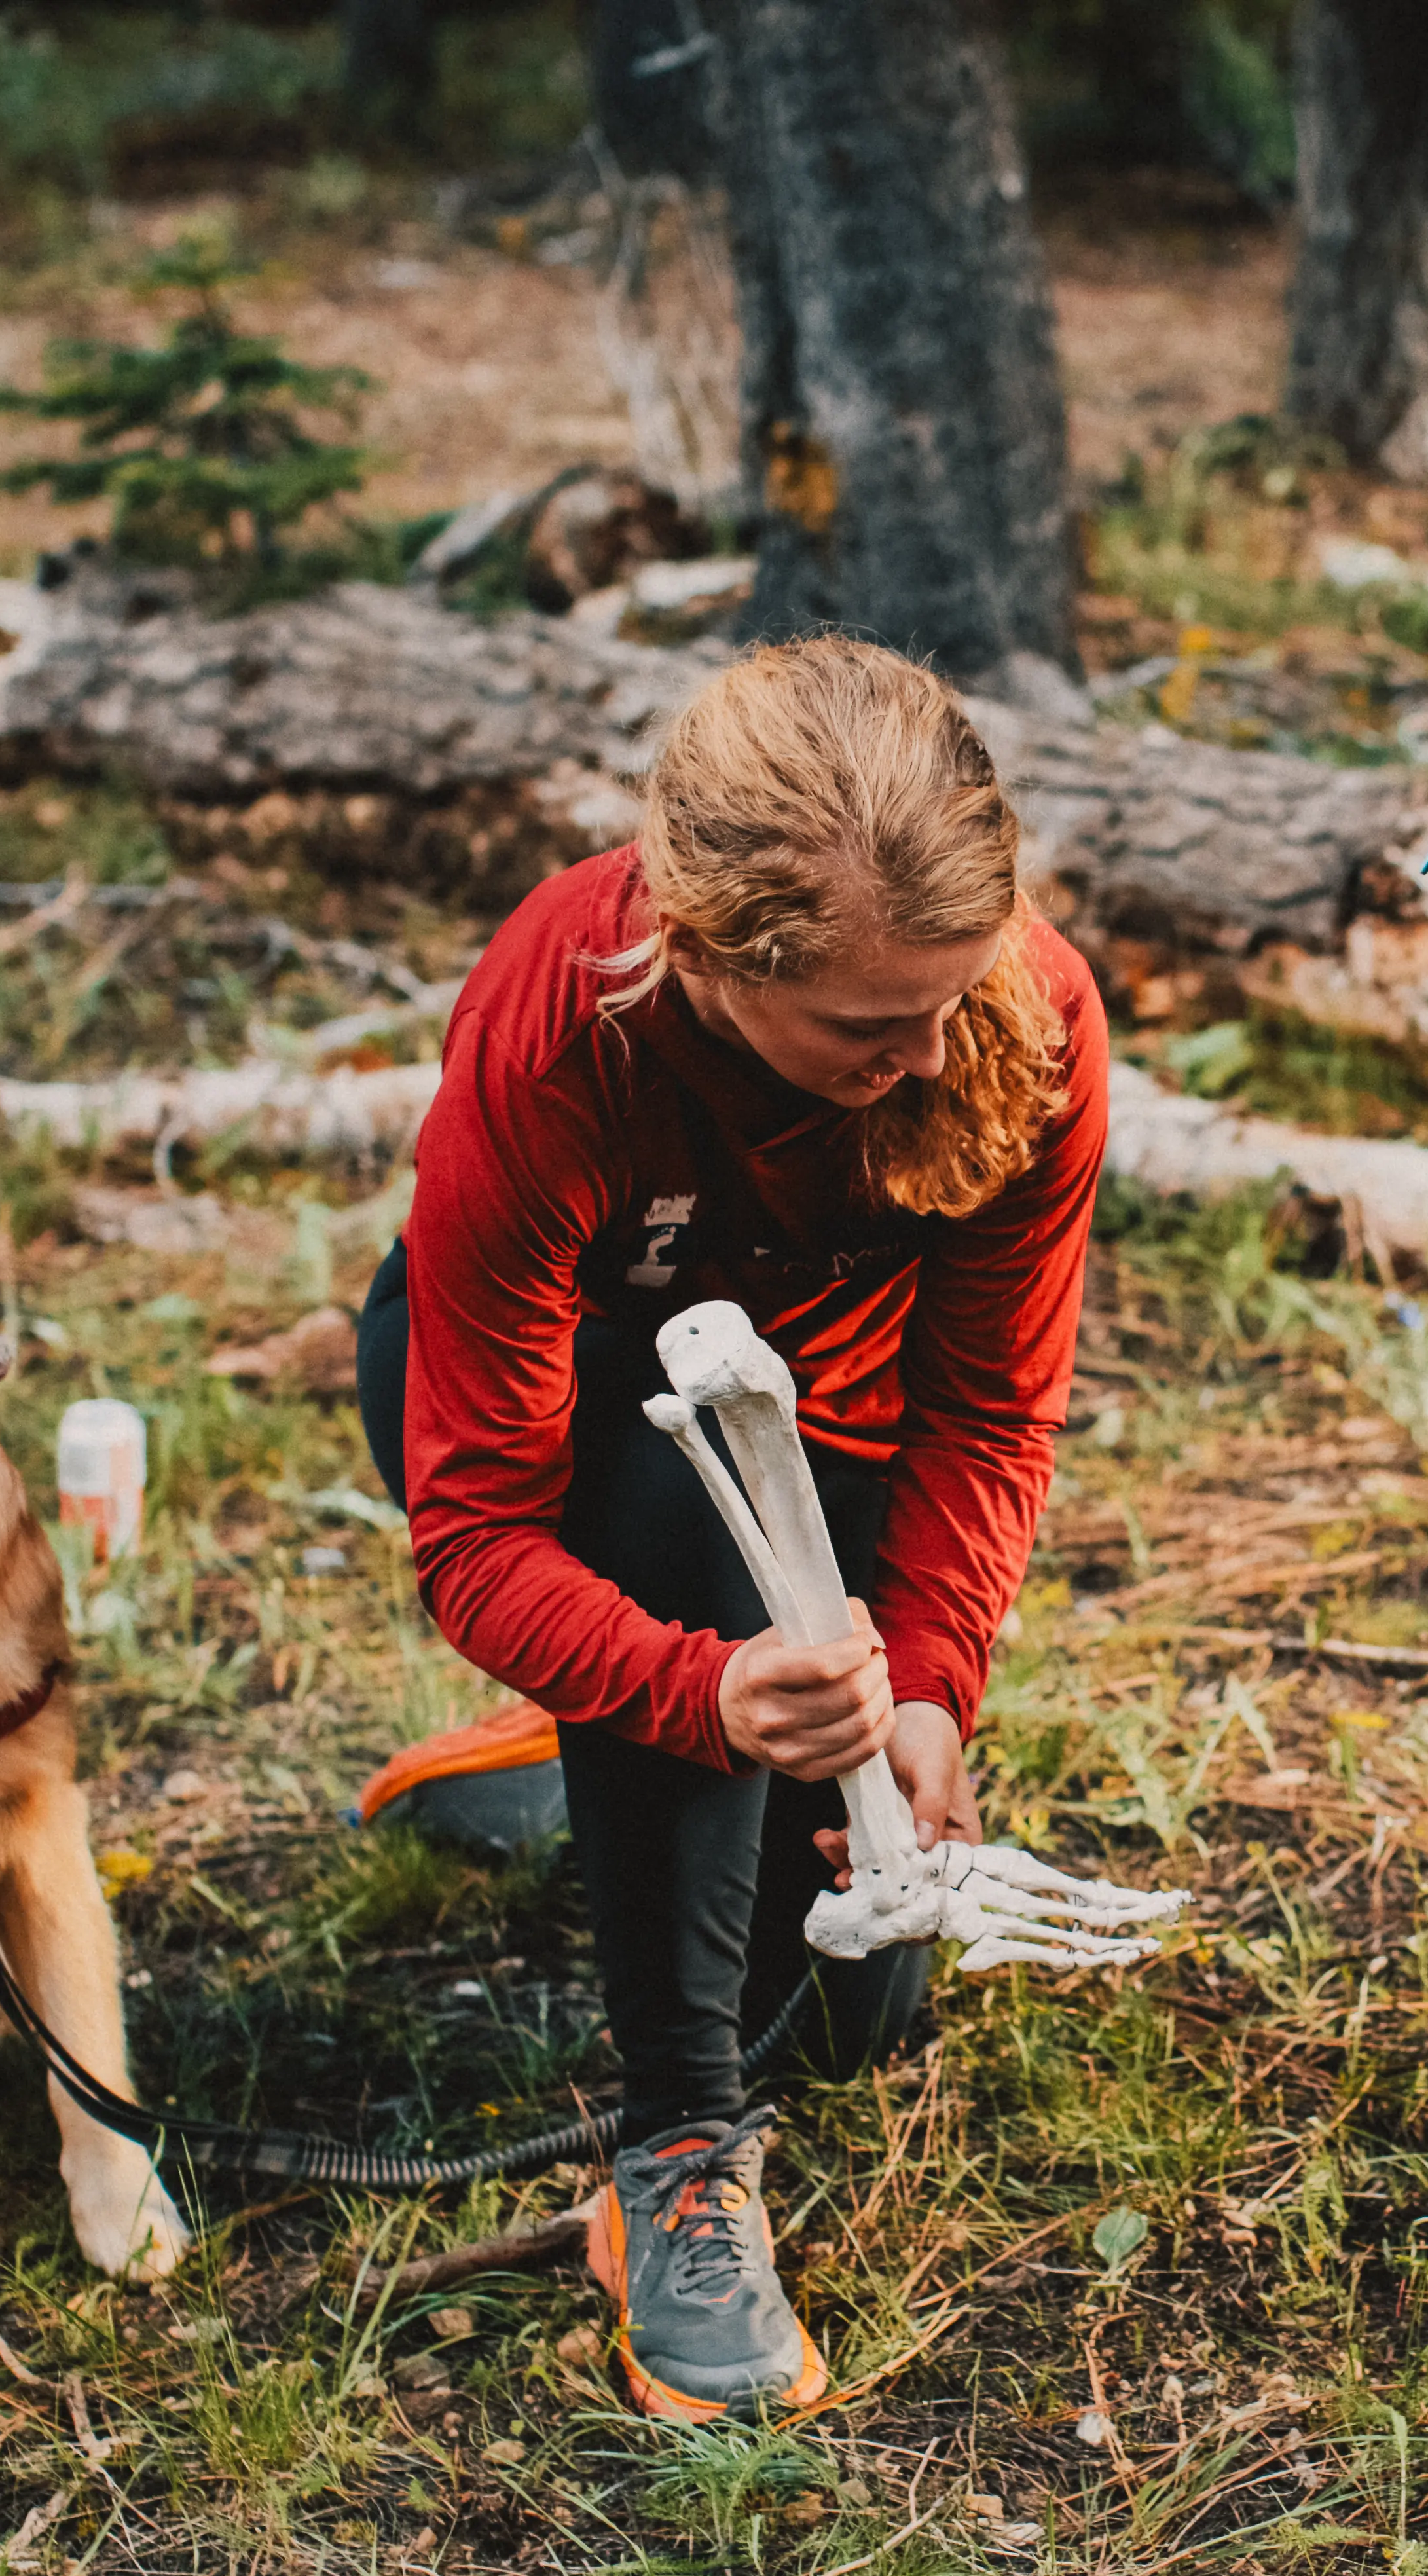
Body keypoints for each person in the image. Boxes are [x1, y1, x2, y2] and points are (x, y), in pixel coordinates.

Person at [358, 636, 1107, 2423]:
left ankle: (583, 1763)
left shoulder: (1027, 1022)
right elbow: (476, 1530)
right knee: (660, 1514)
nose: (925, 1052)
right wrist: (697, 1694)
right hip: (593, 1440)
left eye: (952, 991)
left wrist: (926, 1686)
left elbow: (991, 1411)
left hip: (833, 1438)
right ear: (702, 952)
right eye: (869, 1028)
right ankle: (676, 2144)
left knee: (864, 2020)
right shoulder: (563, 1030)